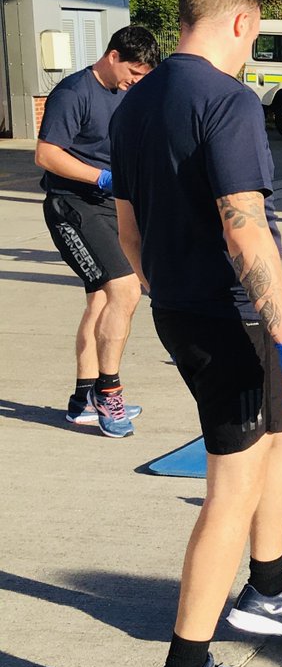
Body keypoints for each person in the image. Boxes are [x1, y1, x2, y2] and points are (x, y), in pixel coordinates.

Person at [110, 0, 282, 667]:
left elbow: (129, 227)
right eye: (257, 35)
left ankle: (267, 588)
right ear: (240, 23)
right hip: (233, 317)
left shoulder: (134, 99)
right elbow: (244, 223)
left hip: (182, 308)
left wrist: (169, 291)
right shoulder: (227, 99)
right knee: (229, 492)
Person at [36, 25, 160, 437]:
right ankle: (109, 393)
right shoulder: (73, 93)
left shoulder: (123, 94)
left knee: (100, 302)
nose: (135, 82)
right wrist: (100, 179)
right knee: (125, 290)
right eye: (133, 72)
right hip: (71, 206)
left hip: (109, 208)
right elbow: (47, 154)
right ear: (112, 56)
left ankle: (81, 401)